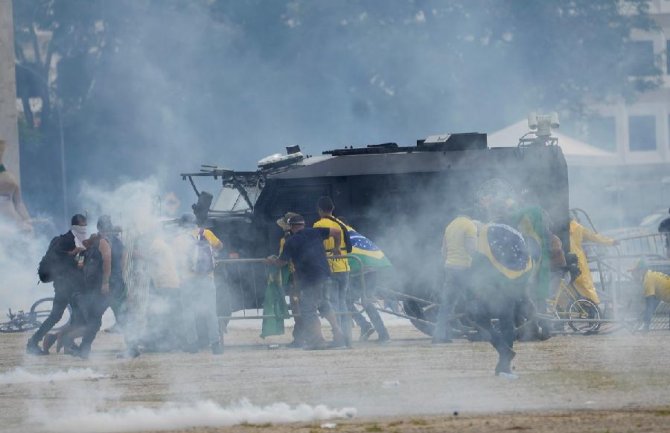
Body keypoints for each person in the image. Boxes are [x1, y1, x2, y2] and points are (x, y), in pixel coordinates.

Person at [266, 214, 345, 350]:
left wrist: (271, 261)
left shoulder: (291, 241)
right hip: (325, 275)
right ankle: (339, 336)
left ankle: (318, 341)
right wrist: (337, 247)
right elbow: (337, 232)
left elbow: (282, 262)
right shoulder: (315, 232)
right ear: (303, 224)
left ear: (291, 227)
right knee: (325, 305)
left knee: (309, 310)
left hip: (310, 279)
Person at [469, 222, 533, 378]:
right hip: (511, 285)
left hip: (491, 289)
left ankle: (503, 350)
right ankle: (504, 366)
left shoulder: (483, 242)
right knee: (507, 323)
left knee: (480, 320)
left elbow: (477, 272)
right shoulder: (513, 239)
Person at [26, 214, 87, 355]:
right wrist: (74, 255)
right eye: (82, 226)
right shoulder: (67, 240)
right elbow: (62, 261)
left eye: (85, 226)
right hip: (65, 285)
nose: (84, 228)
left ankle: (58, 343)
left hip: (67, 284)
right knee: (66, 316)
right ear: (75, 226)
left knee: (65, 316)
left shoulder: (72, 239)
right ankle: (36, 342)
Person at [175, 214, 224, 355]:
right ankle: (215, 345)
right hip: (207, 278)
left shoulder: (179, 239)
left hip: (187, 280)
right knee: (210, 311)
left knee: (188, 312)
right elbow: (220, 245)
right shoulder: (206, 233)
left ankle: (192, 345)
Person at [433, 213, 478, 344]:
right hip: (465, 268)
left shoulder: (450, 226)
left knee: (446, 304)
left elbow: (443, 251)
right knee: (473, 300)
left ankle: (439, 335)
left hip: (450, 267)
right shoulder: (470, 225)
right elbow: (472, 249)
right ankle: (480, 331)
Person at [313, 196, 352, 346]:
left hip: (330, 268)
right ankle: (347, 336)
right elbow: (348, 247)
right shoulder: (342, 224)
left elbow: (316, 246)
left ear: (320, 210)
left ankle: (340, 338)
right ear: (332, 208)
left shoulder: (318, 224)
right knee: (343, 302)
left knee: (333, 303)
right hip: (345, 266)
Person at [569, 219, 617, 305]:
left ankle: (573, 310)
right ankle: (594, 307)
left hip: (567, 259)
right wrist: (611, 241)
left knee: (569, 286)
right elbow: (594, 237)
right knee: (587, 285)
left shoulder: (559, 228)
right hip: (579, 260)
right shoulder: (578, 228)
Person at [0, 139, 32, 232]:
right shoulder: (9, 179)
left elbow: (19, 203)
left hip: (10, 222)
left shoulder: (9, 179)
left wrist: (27, 221)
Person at [630, 259, 670, 331]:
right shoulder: (651, 276)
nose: (632, 275)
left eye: (634, 272)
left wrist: (645, 324)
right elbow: (654, 303)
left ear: (641, 270)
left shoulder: (648, 280)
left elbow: (650, 305)